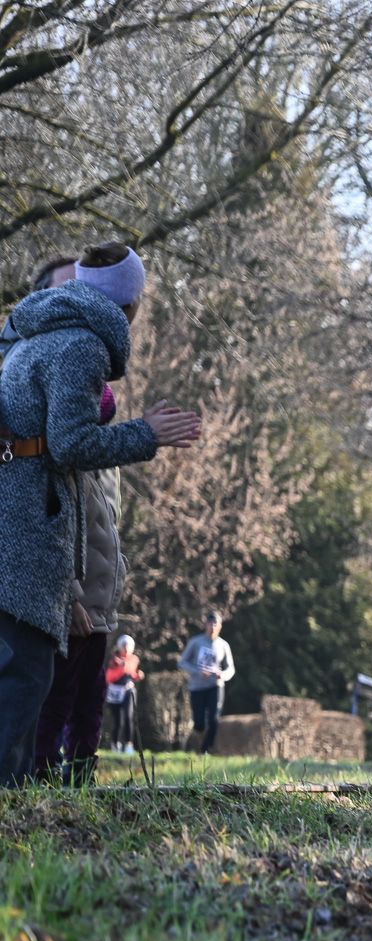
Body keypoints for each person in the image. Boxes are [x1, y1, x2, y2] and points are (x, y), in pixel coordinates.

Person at [0, 243, 200, 783]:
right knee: (25, 677)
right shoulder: (81, 345)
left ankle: (19, 797)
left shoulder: (31, 332)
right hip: (28, 523)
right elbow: (69, 446)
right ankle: (13, 804)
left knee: (24, 675)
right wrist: (147, 434)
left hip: (17, 516)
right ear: (130, 303)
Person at [25, 256, 133, 785]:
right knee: (53, 695)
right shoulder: (42, 413)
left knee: (90, 702)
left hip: (100, 598)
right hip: (63, 594)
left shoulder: (97, 422)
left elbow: (105, 520)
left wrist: (110, 584)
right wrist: (68, 591)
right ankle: (39, 784)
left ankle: (80, 783)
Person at [178, 608, 235, 754]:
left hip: (215, 685)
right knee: (199, 723)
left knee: (214, 719)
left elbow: (231, 669)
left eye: (216, 624)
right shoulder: (196, 642)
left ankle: (206, 749)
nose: (213, 627)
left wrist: (222, 675)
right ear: (206, 625)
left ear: (220, 626)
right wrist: (198, 671)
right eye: (210, 624)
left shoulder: (224, 645)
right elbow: (182, 662)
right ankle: (198, 740)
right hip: (197, 687)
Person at [104, 635, 142, 754]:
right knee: (118, 720)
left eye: (128, 646)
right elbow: (109, 677)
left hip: (128, 691)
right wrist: (121, 667)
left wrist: (138, 675)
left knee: (128, 717)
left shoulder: (134, 659)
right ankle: (115, 744)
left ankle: (129, 745)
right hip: (115, 692)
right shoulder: (113, 660)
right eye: (124, 646)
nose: (126, 649)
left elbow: (132, 673)